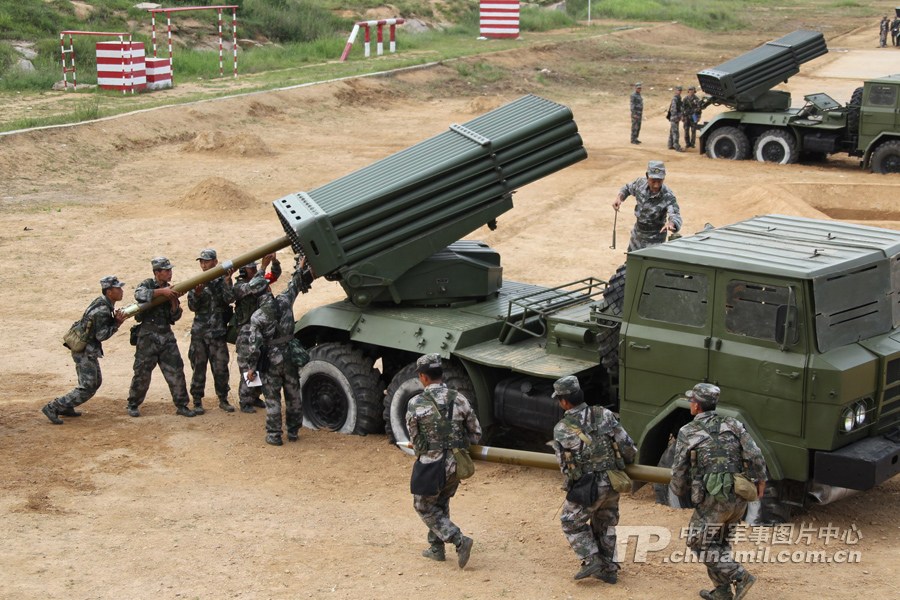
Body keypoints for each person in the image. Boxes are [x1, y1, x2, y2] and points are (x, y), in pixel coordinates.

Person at [669, 383, 767, 600]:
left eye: (691, 400)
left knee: (697, 542)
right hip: (739, 494)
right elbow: (755, 453)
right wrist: (761, 479)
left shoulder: (688, 431)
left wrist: (678, 491)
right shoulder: (733, 423)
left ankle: (741, 576)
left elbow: (679, 468)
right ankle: (722, 592)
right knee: (718, 544)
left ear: (696, 406)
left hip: (713, 497)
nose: (690, 404)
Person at [551, 375, 636, 583]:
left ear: (564, 401)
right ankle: (609, 569)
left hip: (588, 486)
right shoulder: (604, 413)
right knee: (605, 523)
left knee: (570, 522)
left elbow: (565, 466)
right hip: (613, 480)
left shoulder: (562, 428)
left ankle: (591, 559)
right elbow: (628, 446)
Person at [406, 353, 482, 569]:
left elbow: (415, 439)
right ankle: (436, 549)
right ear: (441, 374)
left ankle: (459, 540)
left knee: (423, 505)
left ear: (423, 377)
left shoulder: (416, 403)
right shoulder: (459, 399)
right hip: (457, 464)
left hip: (431, 464)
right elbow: (476, 434)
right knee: (440, 503)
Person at [246, 256, 314, 445]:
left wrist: (252, 368)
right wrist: (301, 265)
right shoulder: (284, 301)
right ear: (268, 288)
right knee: (293, 395)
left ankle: (274, 435)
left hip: (271, 360)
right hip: (290, 356)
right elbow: (296, 283)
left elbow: (254, 347)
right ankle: (293, 432)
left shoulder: (257, 317)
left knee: (272, 398)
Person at [42, 276, 127, 424]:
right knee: (88, 385)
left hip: (86, 348)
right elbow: (101, 335)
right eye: (118, 288)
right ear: (109, 291)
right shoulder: (102, 309)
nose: (121, 291)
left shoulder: (103, 303)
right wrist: (117, 323)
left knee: (95, 382)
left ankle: (67, 406)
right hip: (85, 350)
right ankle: (54, 406)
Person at [126, 257, 195, 418]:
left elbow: (175, 317)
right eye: (167, 270)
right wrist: (162, 292)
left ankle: (182, 405)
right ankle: (133, 404)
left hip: (166, 336)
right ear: (157, 273)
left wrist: (173, 303)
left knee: (176, 371)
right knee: (142, 372)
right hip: (147, 337)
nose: (170, 273)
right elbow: (139, 294)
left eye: (170, 270)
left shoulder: (172, 289)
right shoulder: (148, 285)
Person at [187, 248, 236, 414]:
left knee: (221, 368)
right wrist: (197, 293)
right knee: (198, 368)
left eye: (206, 261)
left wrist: (228, 281)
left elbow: (230, 299)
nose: (203, 264)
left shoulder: (222, 279)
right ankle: (197, 401)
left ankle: (223, 399)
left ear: (215, 262)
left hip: (217, 333)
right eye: (201, 261)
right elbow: (192, 306)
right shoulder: (195, 282)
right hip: (199, 334)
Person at [233, 253, 281, 413]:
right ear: (243, 271)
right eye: (251, 268)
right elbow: (253, 286)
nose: (254, 270)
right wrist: (262, 267)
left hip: (261, 329)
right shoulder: (240, 286)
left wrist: (273, 261)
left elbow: (274, 275)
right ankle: (245, 400)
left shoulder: (260, 280)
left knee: (261, 364)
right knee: (248, 366)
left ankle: (254, 397)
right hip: (246, 332)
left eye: (255, 267)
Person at [612, 160, 683, 251]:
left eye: (660, 181)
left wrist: (671, 223)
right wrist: (619, 198)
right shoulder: (640, 183)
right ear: (647, 176)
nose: (656, 185)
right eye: (653, 181)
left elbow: (675, 214)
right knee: (632, 261)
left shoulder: (668, 195)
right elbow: (627, 188)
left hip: (655, 239)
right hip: (637, 235)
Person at [668, 85, 684, 152]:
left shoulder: (679, 98)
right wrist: (679, 116)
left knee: (672, 131)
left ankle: (670, 144)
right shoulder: (675, 99)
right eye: (678, 90)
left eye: (680, 90)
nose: (679, 92)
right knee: (675, 132)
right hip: (674, 118)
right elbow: (673, 109)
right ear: (676, 91)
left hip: (675, 118)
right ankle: (676, 146)